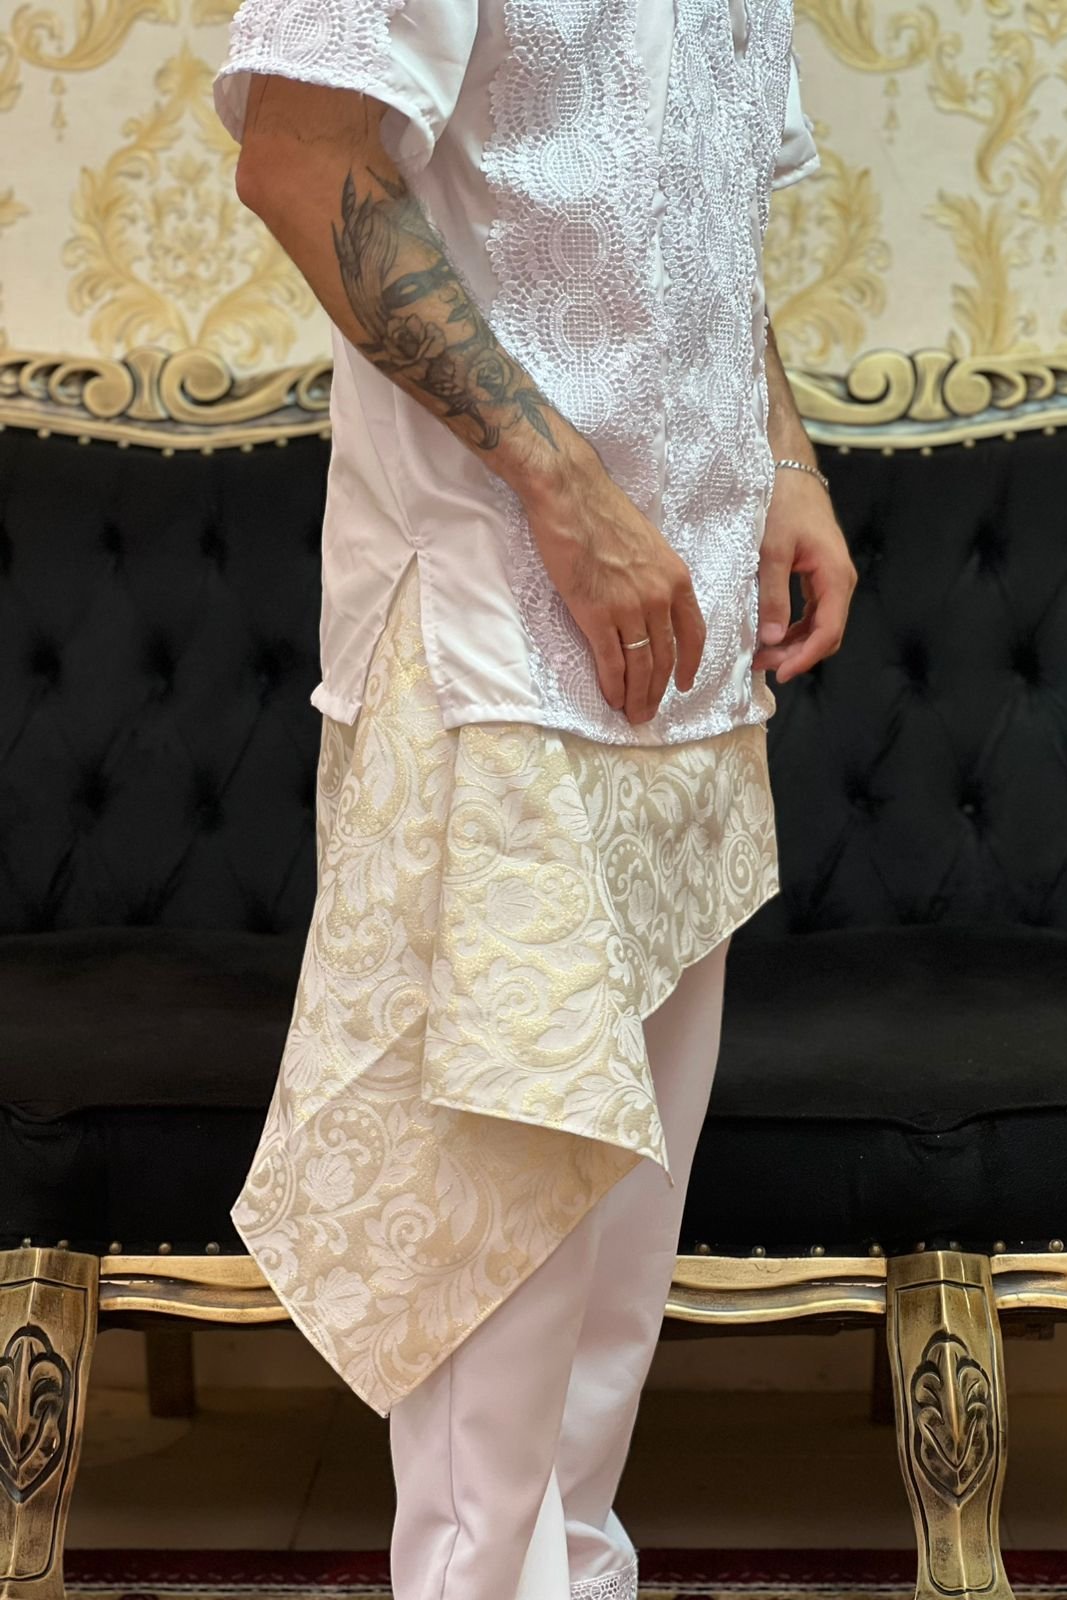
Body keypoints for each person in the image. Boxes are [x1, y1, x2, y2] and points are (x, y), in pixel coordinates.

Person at [211, 3, 856, 1598]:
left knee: (614, 1279)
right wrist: (565, 491)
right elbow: (300, 157)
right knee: (494, 1272)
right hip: (495, 640)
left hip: (688, 654)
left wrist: (785, 460)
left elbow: (699, 223)